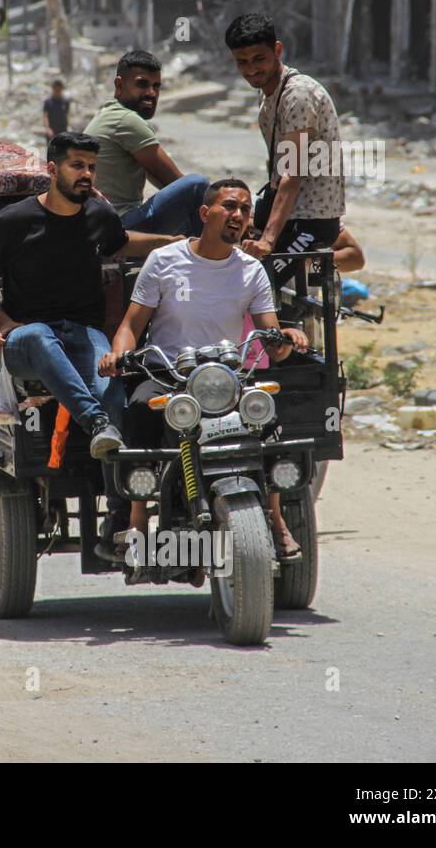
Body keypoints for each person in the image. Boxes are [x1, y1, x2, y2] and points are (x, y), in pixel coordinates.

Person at [100, 178, 310, 561]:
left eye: (245, 210)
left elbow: (269, 334)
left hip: (226, 376)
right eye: (229, 206)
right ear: (204, 213)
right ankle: (133, 520)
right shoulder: (164, 260)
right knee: (139, 415)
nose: (239, 216)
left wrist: (285, 339)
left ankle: (276, 520)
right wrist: (119, 354)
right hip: (169, 374)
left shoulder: (251, 271)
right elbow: (131, 325)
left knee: (269, 423)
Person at [0, 132, 181, 461]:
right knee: (38, 335)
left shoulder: (98, 215)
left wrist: (170, 241)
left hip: (83, 332)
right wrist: (5, 322)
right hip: (27, 339)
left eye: (92, 167)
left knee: (111, 388)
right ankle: (96, 422)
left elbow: (119, 243)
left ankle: (119, 505)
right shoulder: (14, 221)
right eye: (77, 165)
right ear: (52, 170)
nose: (86, 175)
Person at [224, 13, 345, 285]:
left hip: (309, 221)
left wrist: (267, 239)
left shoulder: (297, 94)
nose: (251, 70)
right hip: (289, 215)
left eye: (259, 59)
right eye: (242, 62)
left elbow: (292, 175)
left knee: (261, 285)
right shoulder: (270, 93)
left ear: (277, 50)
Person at [83, 50, 209, 236]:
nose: (151, 93)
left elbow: (159, 178)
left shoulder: (109, 114)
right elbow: (177, 182)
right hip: (119, 225)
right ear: (119, 85)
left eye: (156, 86)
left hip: (103, 224)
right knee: (198, 184)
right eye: (142, 84)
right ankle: (207, 257)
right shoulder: (126, 120)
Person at [42, 78, 70, 155]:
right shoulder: (48, 102)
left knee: (62, 152)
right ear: (53, 89)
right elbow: (45, 116)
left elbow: (67, 114)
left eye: (59, 89)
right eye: (56, 89)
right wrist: (47, 129)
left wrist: (67, 127)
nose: (57, 91)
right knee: (52, 152)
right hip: (51, 131)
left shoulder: (65, 101)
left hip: (62, 130)